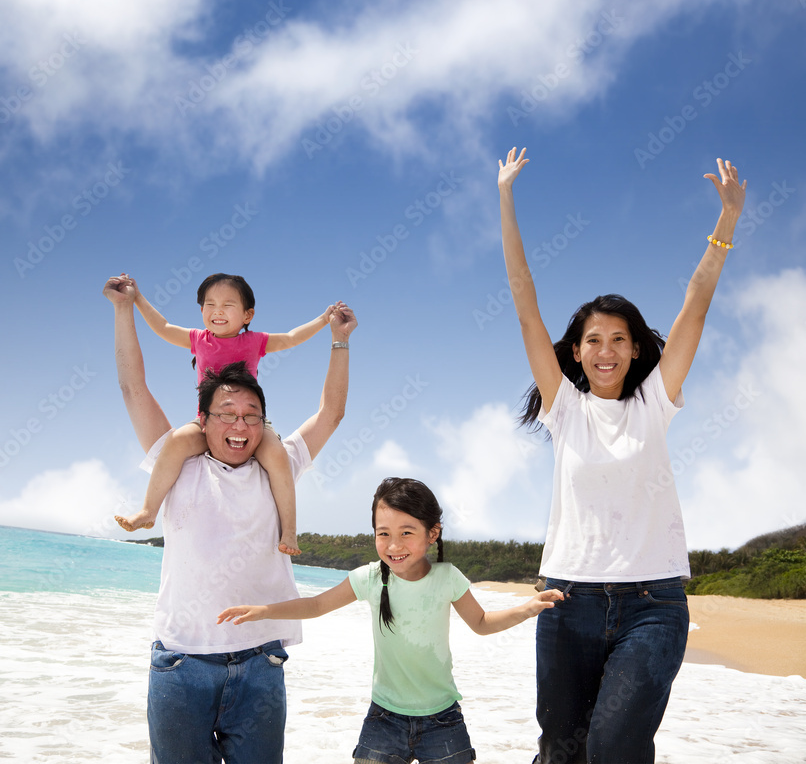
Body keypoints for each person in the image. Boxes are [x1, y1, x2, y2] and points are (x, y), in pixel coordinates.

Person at [497, 147, 746, 764]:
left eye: (618, 340)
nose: (605, 351)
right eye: (592, 341)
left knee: (615, 747)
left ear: (636, 350)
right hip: (566, 601)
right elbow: (524, 300)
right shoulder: (564, 410)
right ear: (575, 354)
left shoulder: (655, 402)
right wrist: (505, 198)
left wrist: (727, 225)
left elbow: (696, 303)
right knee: (560, 750)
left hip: (652, 605)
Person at [103, 274, 356, 764]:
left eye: (251, 415)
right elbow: (133, 387)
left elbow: (332, 412)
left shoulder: (276, 462)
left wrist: (339, 340)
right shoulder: (177, 463)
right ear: (203, 419)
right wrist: (123, 309)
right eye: (226, 413)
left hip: (261, 663)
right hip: (182, 664)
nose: (239, 424)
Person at [218, 477, 564, 764]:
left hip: (443, 718)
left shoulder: (447, 577)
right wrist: (265, 610)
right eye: (383, 533)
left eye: (407, 532)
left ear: (433, 533)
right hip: (384, 718)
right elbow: (316, 605)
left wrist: (528, 608)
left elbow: (482, 622)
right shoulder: (369, 578)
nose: (393, 544)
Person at [115, 272, 335, 555]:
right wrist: (137, 298)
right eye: (209, 304)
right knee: (177, 441)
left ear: (247, 314)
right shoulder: (199, 339)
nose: (217, 311)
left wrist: (323, 319)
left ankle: (289, 531)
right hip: (206, 421)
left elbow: (292, 338)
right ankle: (148, 510)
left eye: (228, 305)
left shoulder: (255, 341)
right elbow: (164, 327)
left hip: (250, 422)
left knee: (278, 456)